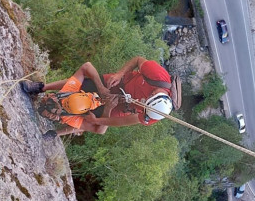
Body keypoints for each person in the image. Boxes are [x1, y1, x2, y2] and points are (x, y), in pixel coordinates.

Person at [21, 56, 174, 139]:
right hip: (121, 82)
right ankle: (40, 88)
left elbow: (123, 121)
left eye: (143, 104)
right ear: (153, 93)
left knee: (93, 123)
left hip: (124, 107)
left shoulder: (153, 114)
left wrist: (100, 117)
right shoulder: (157, 76)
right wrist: (118, 75)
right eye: (144, 101)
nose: (141, 102)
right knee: (81, 88)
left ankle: (57, 133)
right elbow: (138, 60)